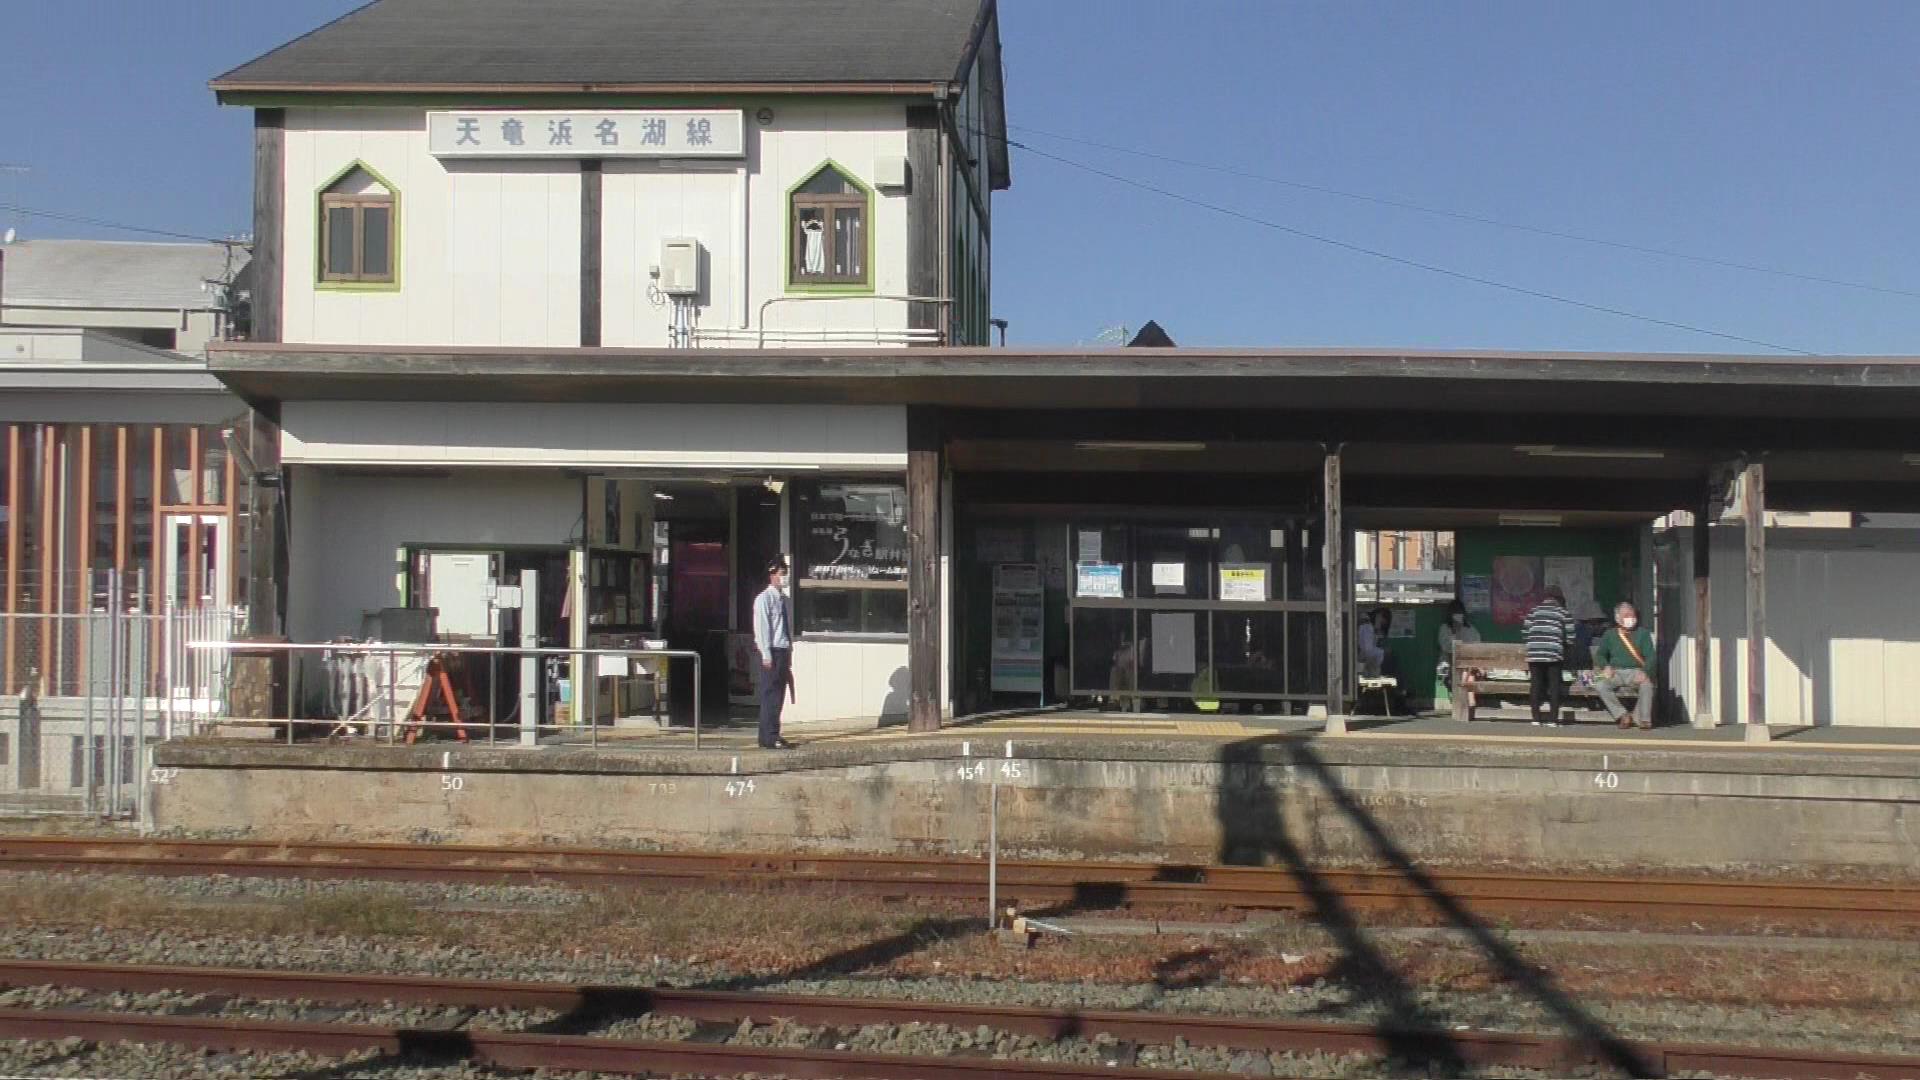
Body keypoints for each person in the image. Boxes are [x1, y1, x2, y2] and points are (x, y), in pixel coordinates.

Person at [752, 557, 795, 749]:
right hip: (772, 651)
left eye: (786, 574)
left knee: (779, 695)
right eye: (781, 574)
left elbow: (786, 629)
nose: (785, 577)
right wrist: (766, 654)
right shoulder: (764, 599)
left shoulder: (784, 600)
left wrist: (789, 653)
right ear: (772, 575)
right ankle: (768, 736)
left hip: (783, 651)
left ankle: (773, 733)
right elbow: (762, 629)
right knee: (770, 694)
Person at [1592, 600, 1656, 729]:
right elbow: (1600, 655)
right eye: (1626, 615)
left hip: (1636, 671)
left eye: (1633, 615)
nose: (1631, 618)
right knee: (1599, 683)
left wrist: (1645, 672)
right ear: (1618, 618)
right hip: (1615, 671)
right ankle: (1622, 715)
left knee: (1647, 685)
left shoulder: (1643, 633)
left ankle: (1644, 719)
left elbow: (1651, 656)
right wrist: (1605, 667)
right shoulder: (1610, 634)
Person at [1522, 586, 1575, 725]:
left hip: (1534, 653)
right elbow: (1570, 637)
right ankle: (1552, 720)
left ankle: (1535, 718)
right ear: (1560, 599)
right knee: (1554, 685)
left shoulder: (1533, 611)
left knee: (1535, 684)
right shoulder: (1563, 613)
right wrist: (1562, 645)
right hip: (1553, 653)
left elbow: (1525, 633)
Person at [1435, 599, 1480, 688]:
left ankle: (1465, 692)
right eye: (1455, 613)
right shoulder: (1444, 628)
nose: (1458, 615)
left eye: (1459, 613)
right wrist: (1455, 632)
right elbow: (1446, 648)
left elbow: (1476, 645)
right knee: (1454, 673)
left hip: (1467, 664)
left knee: (1468, 675)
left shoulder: (1470, 629)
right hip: (1447, 664)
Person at [1356, 608, 1398, 679]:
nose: (1381, 624)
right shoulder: (1368, 626)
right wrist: (1382, 652)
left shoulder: (1370, 628)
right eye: (1382, 622)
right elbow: (1367, 650)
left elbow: (1367, 650)